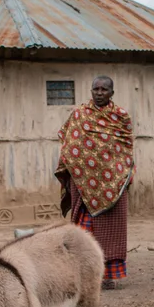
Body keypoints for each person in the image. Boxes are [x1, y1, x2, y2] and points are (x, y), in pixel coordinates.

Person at [54, 76, 134, 289]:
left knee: (111, 231)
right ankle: (83, 276)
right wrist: (79, 172)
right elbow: (69, 145)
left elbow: (125, 151)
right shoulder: (79, 115)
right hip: (83, 183)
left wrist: (117, 177)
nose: (99, 93)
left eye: (104, 89)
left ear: (112, 93)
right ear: (91, 90)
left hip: (112, 186)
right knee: (84, 232)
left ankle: (107, 276)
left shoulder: (120, 117)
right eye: (96, 89)